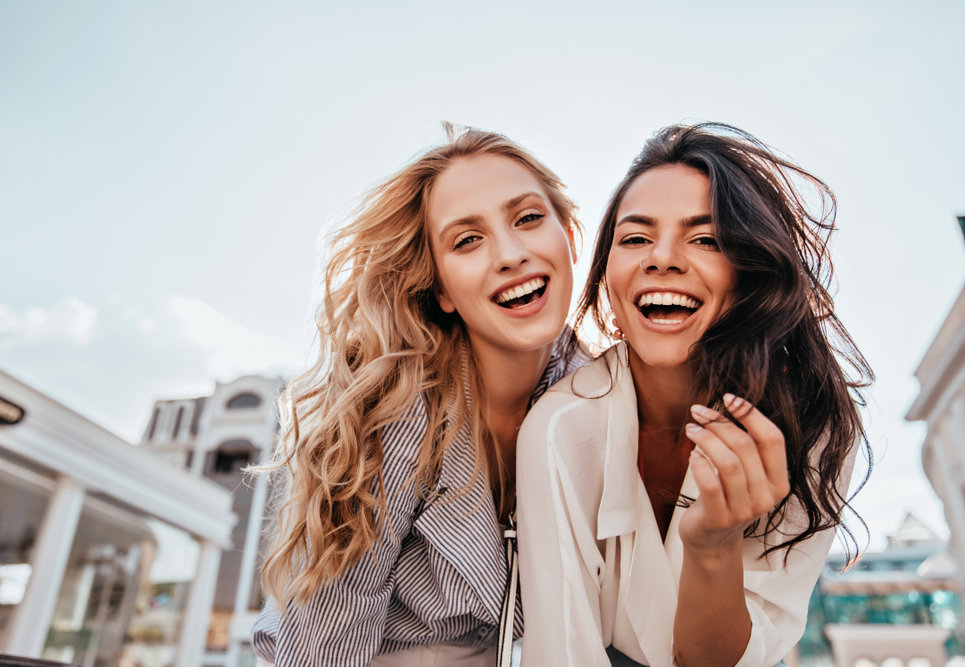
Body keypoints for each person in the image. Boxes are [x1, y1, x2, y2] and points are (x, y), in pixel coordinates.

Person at [515, 123, 872, 667]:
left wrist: (714, 545)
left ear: (749, 275)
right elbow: (562, 650)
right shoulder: (560, 425)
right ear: (609, 278)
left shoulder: (814, 429)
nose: (661, 258)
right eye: (634, 238)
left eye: (705, 239)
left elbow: (722, 659)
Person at [251, 123, 586, 667]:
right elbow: (333, 622)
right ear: (441, 290)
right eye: (466, 240)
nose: (509, 253)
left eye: (527, 218)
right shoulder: (397, 406)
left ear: (569, 237)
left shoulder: (599, 395)